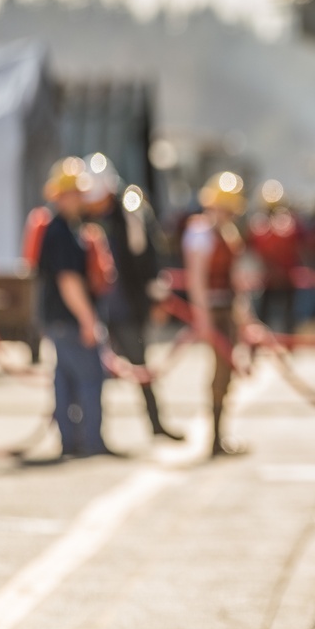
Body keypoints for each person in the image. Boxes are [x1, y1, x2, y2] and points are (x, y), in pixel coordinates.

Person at [83, 152, 184, 442]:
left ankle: (155, 423)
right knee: (90, 371)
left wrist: (155, 298)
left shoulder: (130, 213)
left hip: (126, 306)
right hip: (99, 306)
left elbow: (145, 258)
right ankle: (90, 433)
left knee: (139, 365)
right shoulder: (86, 216)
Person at [35, 157, 115, 459]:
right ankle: (90, 442)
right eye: (77, 193)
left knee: (66, 379)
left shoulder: (63, 229)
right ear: (63, 195)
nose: (82, 199)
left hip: (59, 319)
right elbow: (68, 281)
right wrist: (88, 319)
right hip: (68, 319)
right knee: (89, 377)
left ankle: (71, 442)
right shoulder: (62, 233)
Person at [182, 171, 250, 457]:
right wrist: (203, 318)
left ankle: (220, 434)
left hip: (227, 308)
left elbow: (236, 278)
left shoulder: (227, 233)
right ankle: (214, 438)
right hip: (213, 309)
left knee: (227, 373)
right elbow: (196, 278)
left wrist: (245, 317)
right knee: (220, 372)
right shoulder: (200, 233)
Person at [246, 179, 304, 335]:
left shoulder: (261, 225)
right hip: (280, 278)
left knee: (266, 315)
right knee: (284, 315)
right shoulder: (288, 223)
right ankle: (282, 343)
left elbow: (254, 248)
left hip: (271, 278)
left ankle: (262, 344)